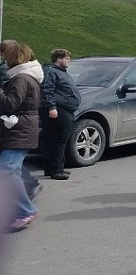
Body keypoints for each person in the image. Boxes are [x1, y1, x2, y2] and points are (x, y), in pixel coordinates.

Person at [0, 43, 44, 232]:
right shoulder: (26, 77)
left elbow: (10, 104)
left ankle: (26, 210)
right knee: (11, 170)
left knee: (7, 170)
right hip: (20, 130)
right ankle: (23, 204)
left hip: (19, 130)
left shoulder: (21, 78)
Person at [39, 48, 81, 180]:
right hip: (57, 109)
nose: (69, 60)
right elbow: (46, 89)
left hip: (63, 109)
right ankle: (56, 170)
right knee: (58, 139)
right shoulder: (50, 71)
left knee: (56, 139)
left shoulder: (61, 72)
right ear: (58, 58)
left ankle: (53, 168)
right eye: (67, 58)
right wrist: (51, 107)